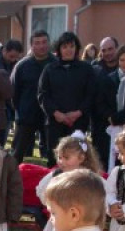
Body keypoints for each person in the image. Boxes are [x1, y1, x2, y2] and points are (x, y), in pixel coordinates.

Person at [39, 32, 98, 166]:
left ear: (77, 48)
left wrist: (78, 112)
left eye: (72, 46)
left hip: (78, 122)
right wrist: (56, 113)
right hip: (55, 122)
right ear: (59, 49)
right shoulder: (50, 69)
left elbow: (91, 94)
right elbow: (42, 95)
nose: (68, 50)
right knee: (54, 159)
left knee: (77, 158)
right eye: (65, 47)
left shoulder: (86, 69)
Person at [36, 134, 102, 231]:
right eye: (59, 157)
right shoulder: (56, 174)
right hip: (60, 223)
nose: (61, 162)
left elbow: (103, 197)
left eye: (66, 158)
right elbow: (41, 190)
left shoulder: (90, 178)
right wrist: (52, 204)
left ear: (81, 158)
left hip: (82, 225)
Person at [11, 30, 55, 162]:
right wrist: (20, 111)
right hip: (26, 116)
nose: (41, 46)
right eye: (37, 43)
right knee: (17, 154)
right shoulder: (22, 66)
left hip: (51, 116)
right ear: (31, 46)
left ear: (49, 44)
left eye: (44, 42)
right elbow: (14, 92)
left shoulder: (56, 64)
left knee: (53, 154)